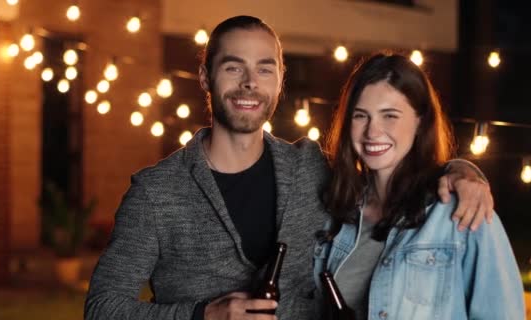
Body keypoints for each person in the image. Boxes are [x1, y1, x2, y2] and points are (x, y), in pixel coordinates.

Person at [85, 16, 493, 320]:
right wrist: (201, 315)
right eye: (233, 67)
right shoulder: (156, 192)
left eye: (265, 68)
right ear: (205, 77)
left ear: (281, 79)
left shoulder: (311, 167)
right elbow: (103, 307)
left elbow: (390, 168)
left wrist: (460, 169)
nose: (250, 83)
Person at [313, 53, 524, 319]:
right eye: (360, 116)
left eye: (390, 115)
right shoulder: (336, 216)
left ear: (420, 121)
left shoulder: (464, 211)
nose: (372, 131)